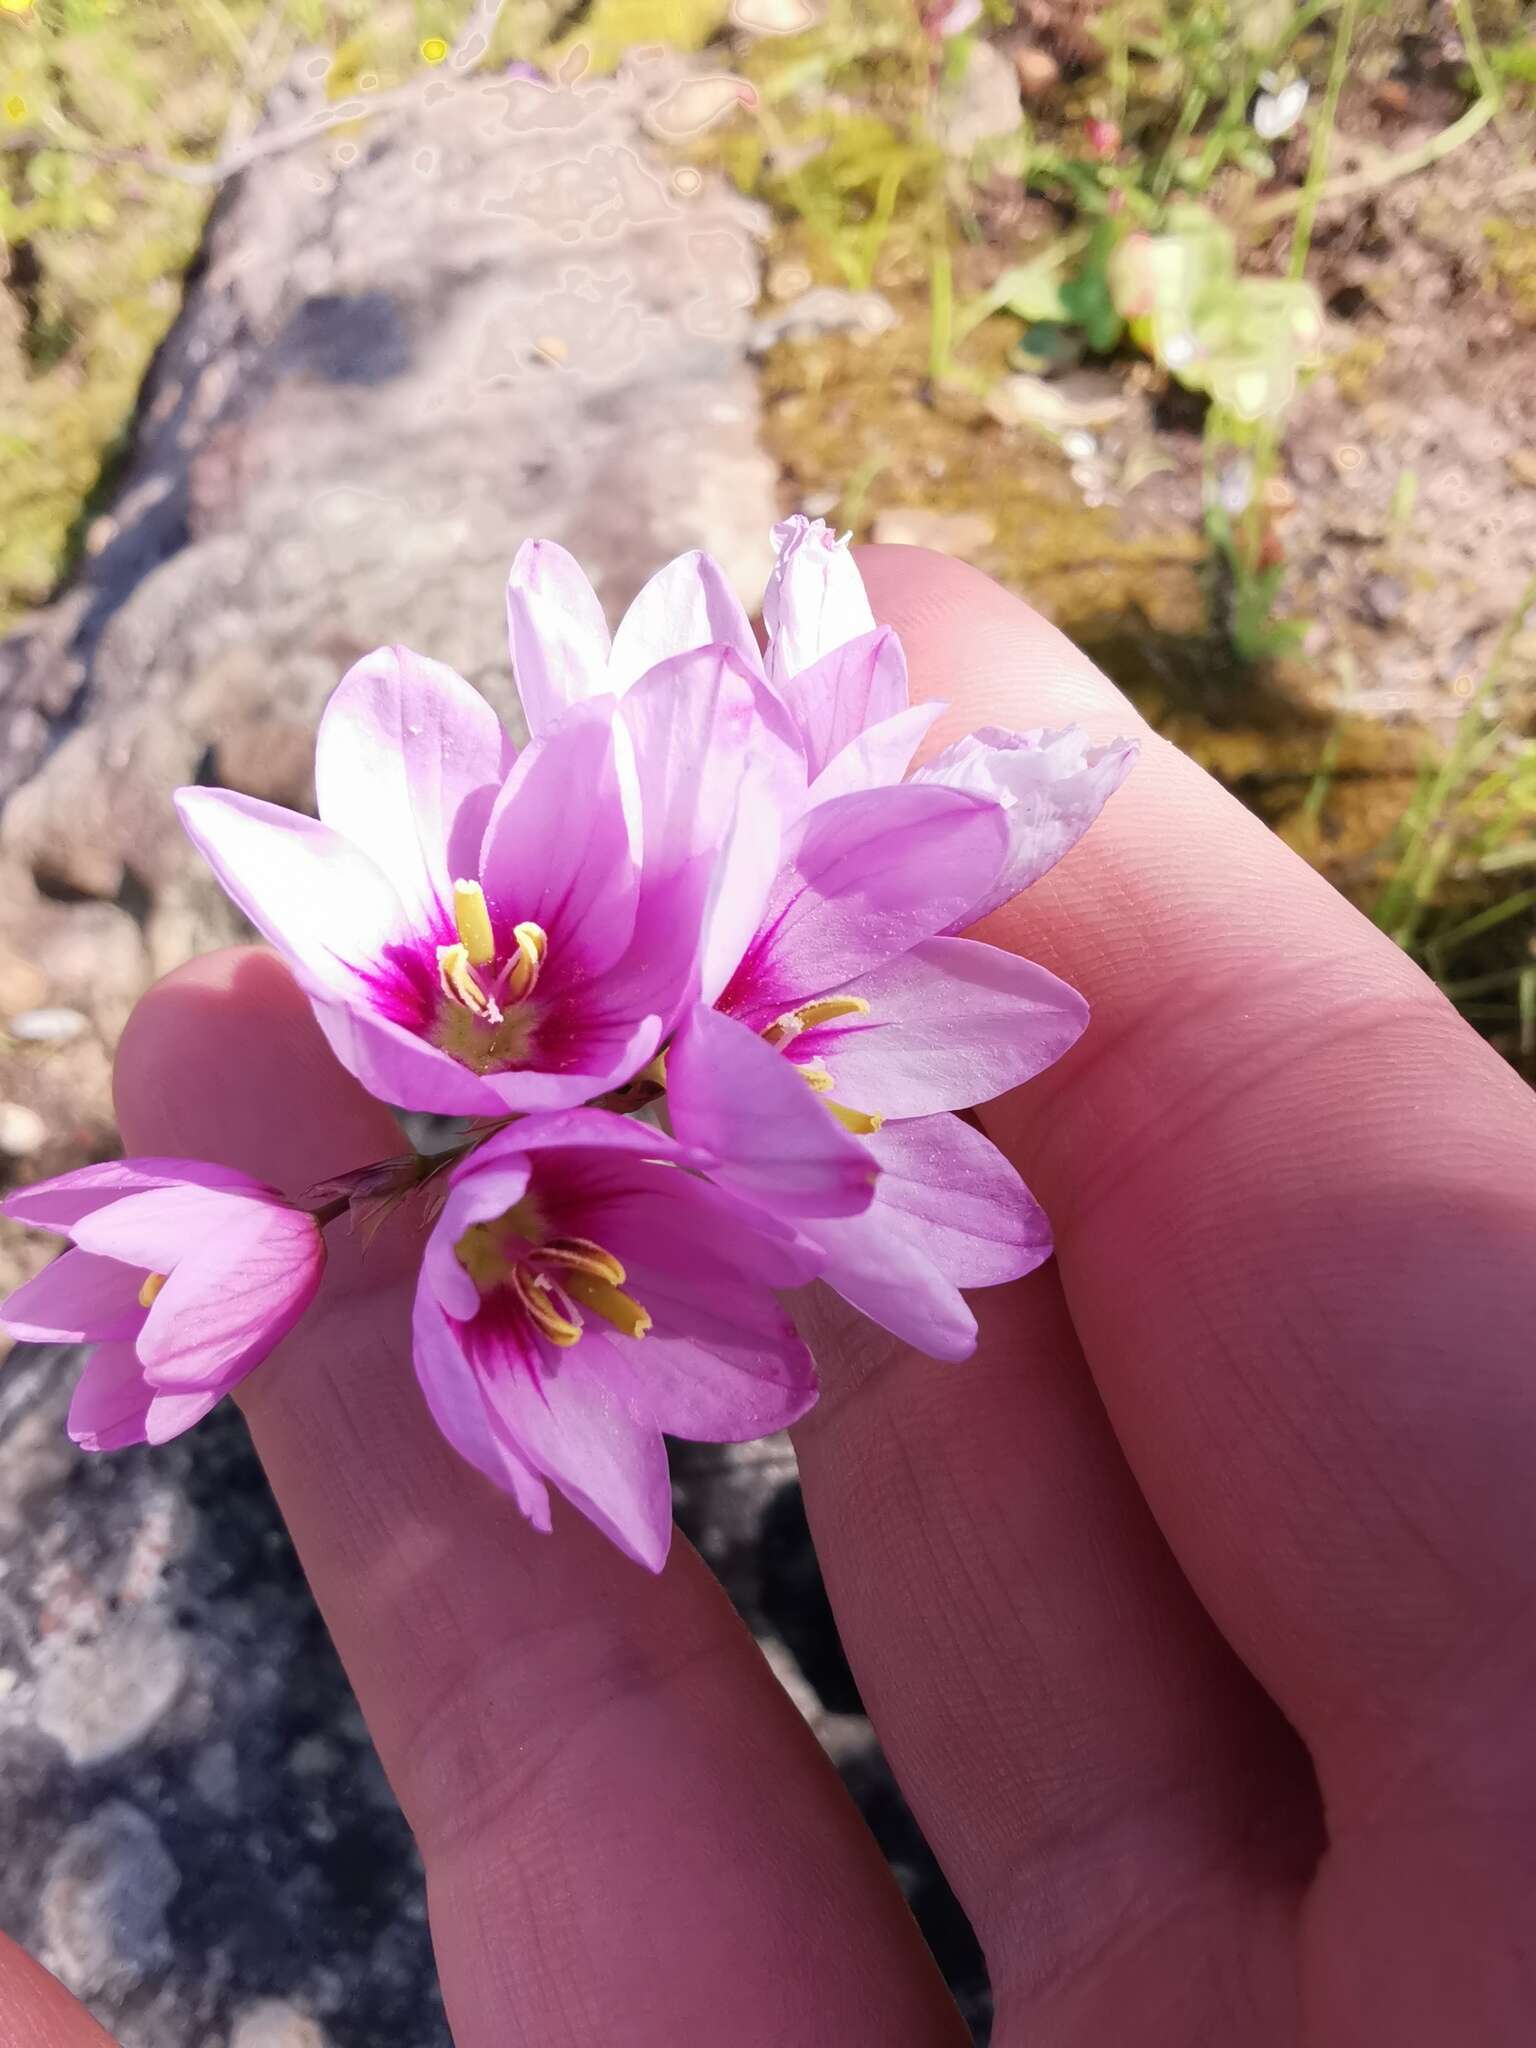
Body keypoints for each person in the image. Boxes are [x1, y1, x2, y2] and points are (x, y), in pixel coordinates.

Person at [6, 549, 1533, 2046]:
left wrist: (637, 1099)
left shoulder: (685, 1016)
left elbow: (805, 1127)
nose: (501, 1003)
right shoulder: (583, 1065)